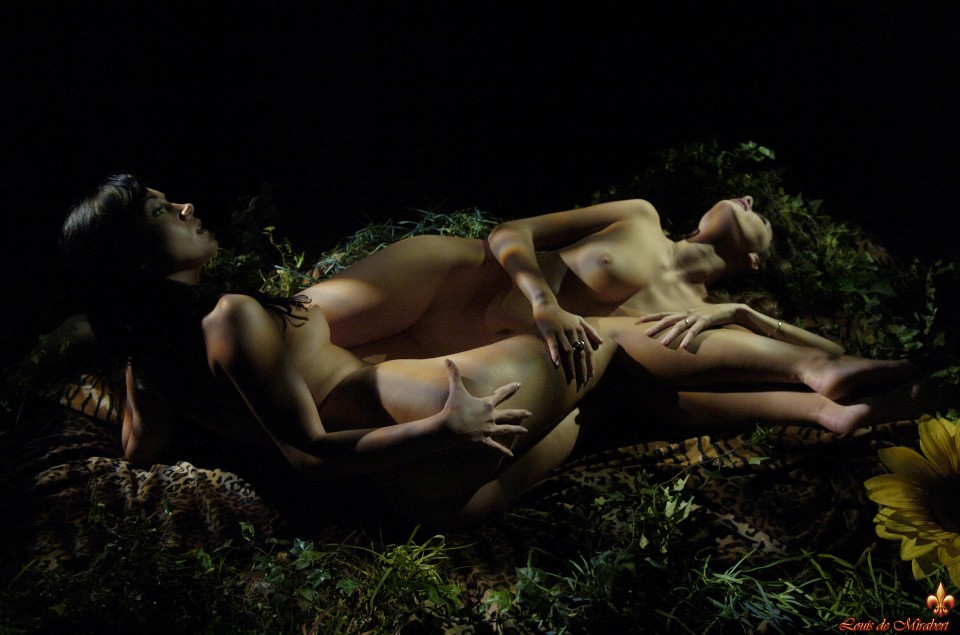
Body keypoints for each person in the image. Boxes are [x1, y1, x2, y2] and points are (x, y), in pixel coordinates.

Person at [59, 177, 927, 526]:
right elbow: (310, 454)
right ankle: (810, 371)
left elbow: (142, 449)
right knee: (606, 343)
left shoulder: (150, 360)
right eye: (161, 212)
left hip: (430, 489)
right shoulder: (230, 319)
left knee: (597, 411)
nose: (184, 206)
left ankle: (820, 404)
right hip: (427, 436)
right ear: (140, 260)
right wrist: (443, 426)